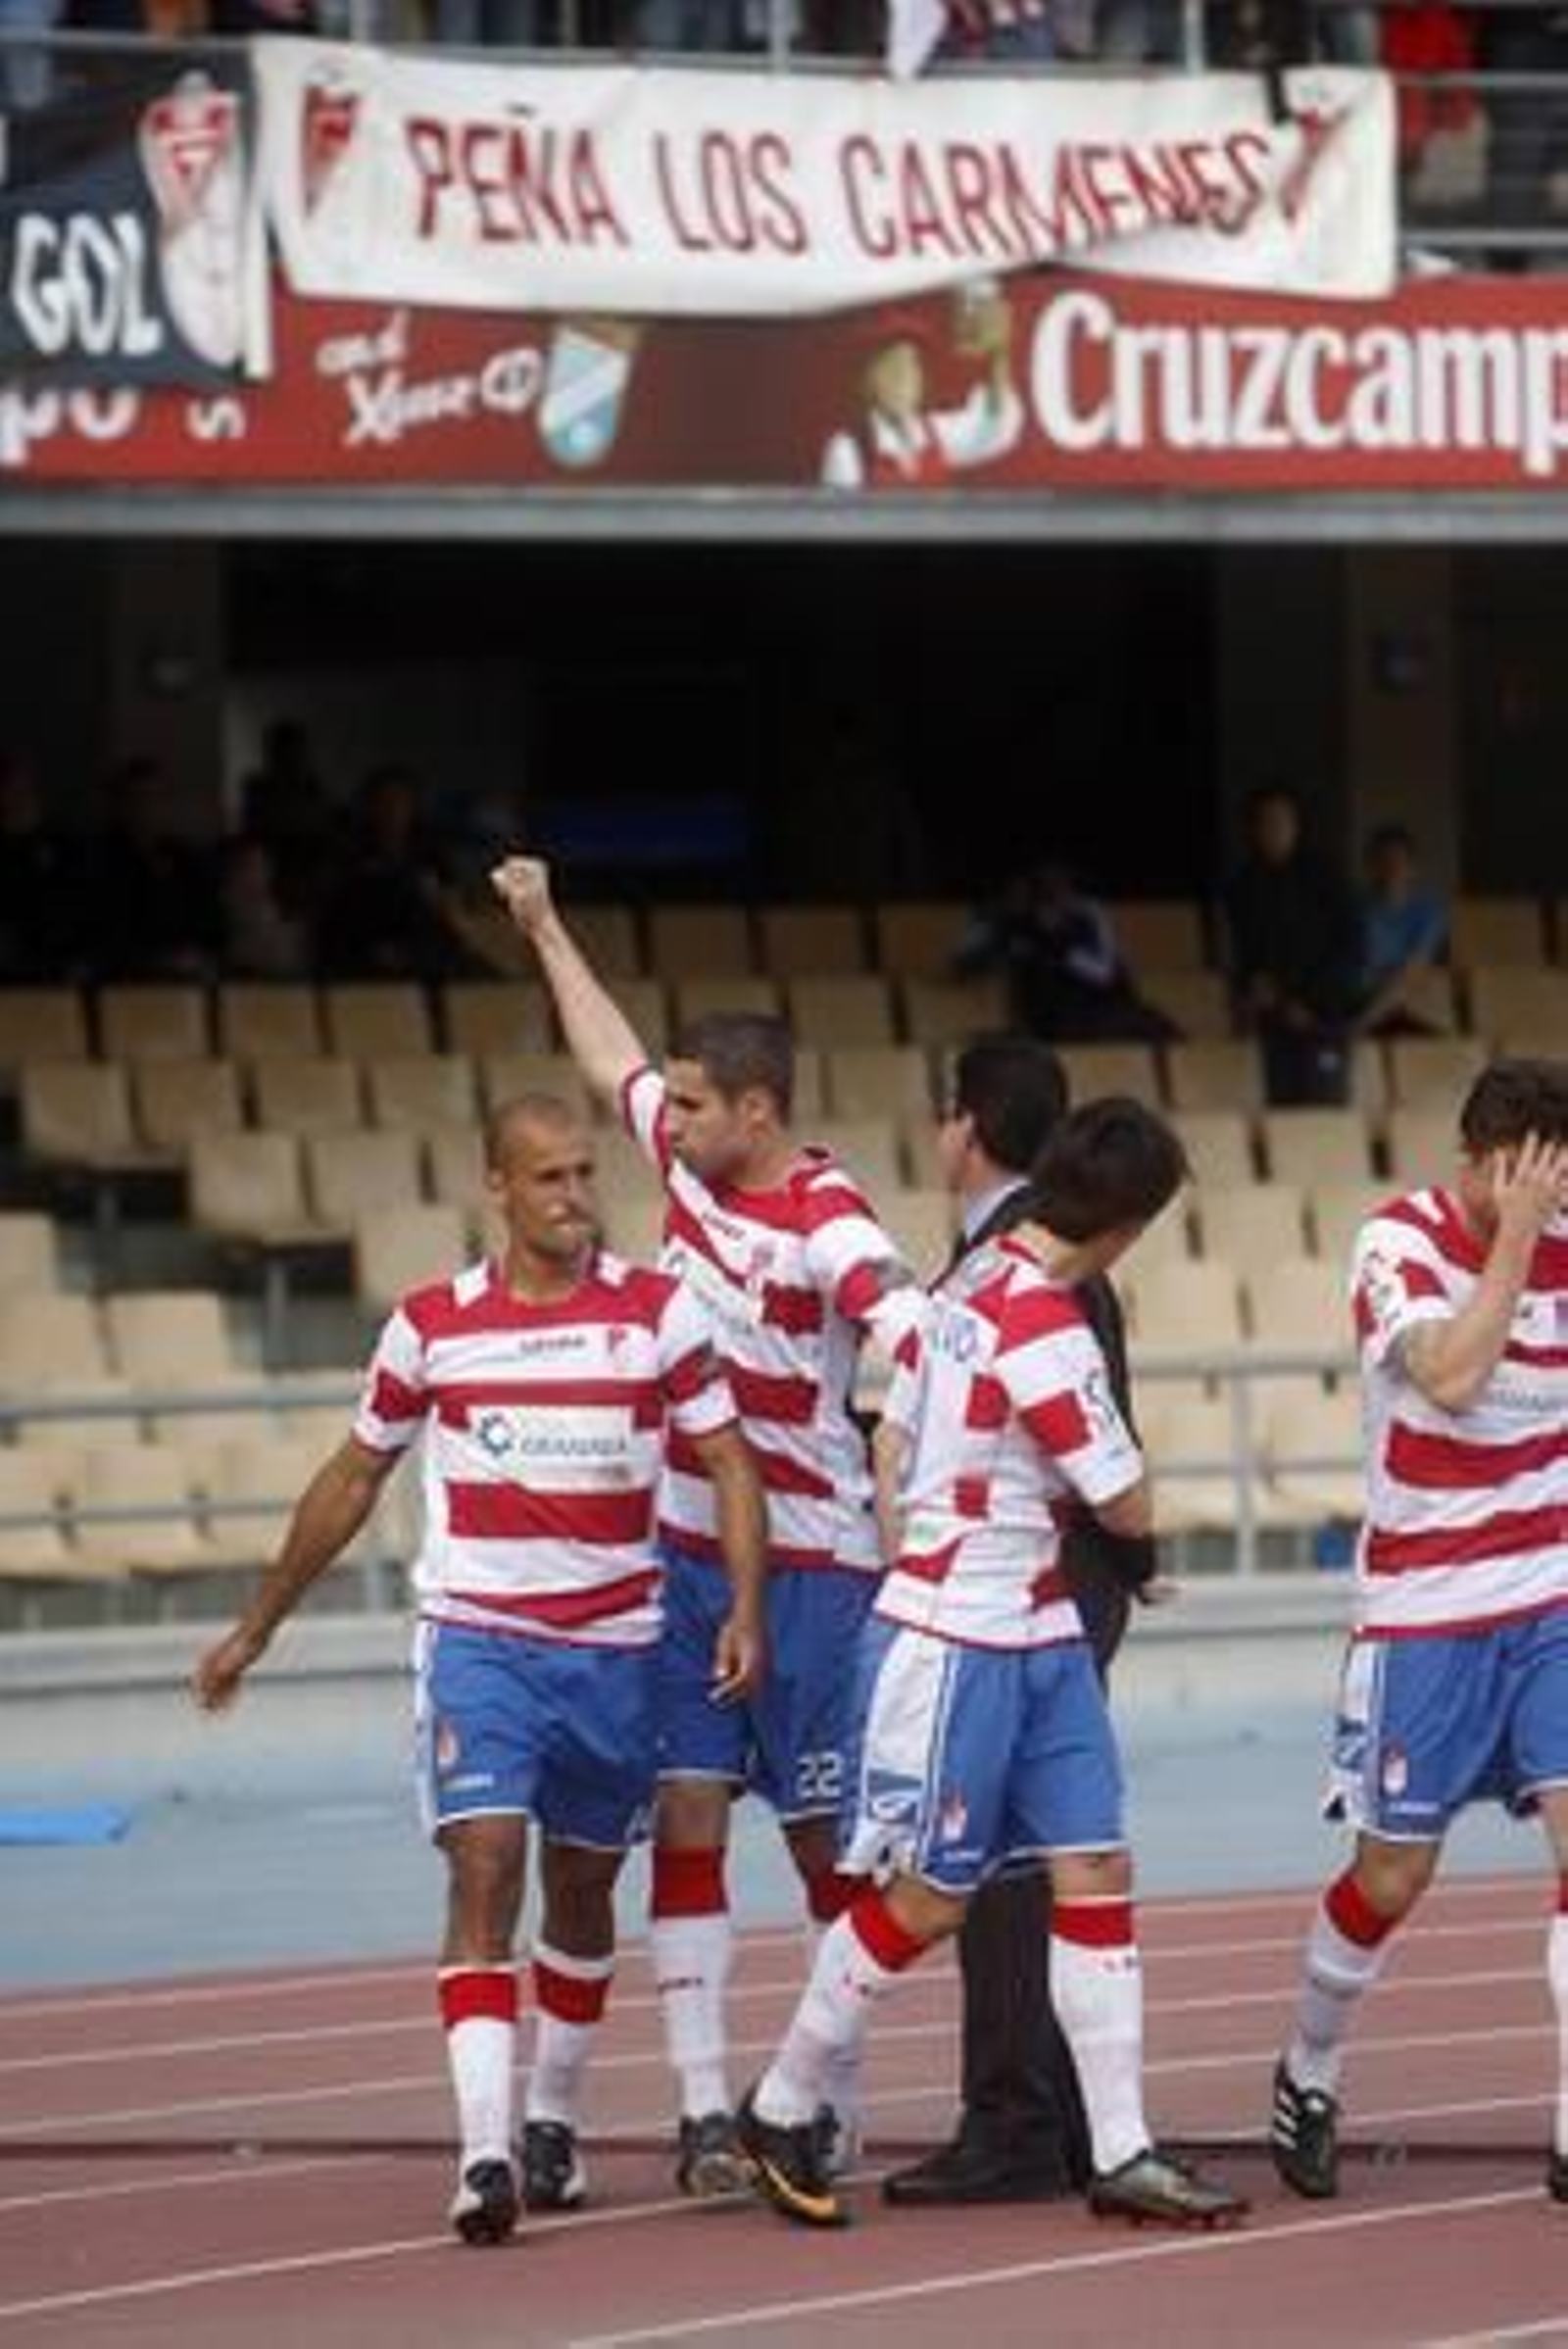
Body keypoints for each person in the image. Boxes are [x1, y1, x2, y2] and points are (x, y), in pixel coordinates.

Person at [190, 1092, 767, 2246]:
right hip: (480, 1642)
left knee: (582, 1891)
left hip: (616, 1652)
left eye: (585, 1174)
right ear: (496, 1188)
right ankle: (484, 2155)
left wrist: (746, 1609)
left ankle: (552, 2117)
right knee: (487, 1865)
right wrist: (258, 1626)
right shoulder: (430, 1325)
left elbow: (728, 1459)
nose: (574, 1198)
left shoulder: (657, 1314)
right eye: (548, 1178)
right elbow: (352, 1478)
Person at [490, 851, 927, 2197]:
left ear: (756, 1110)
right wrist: (544, 923)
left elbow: (917, 1335)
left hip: (812, 1573)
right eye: (667, 1102)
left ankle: (827, 2097)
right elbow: (607, 1046)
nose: (662, 1123)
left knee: (822, 1843)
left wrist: (917, 1468)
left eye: (689, 1105)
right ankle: (698, 2115)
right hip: (683, 1555)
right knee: (685, 1816)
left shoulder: (829, 1223)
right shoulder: (690, 1168)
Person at [734, 1097, 1248, 2230]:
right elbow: (1124, 1498)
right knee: (930, 1895)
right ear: (1129, 1225)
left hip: (1032, 1623)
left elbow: (893, 1429)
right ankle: (778, 2102)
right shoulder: (1046, 1322)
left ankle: (1121, 2149)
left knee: (1092, 1864)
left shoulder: (967, 1279)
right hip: (960, 1634)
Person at [1270, 1056, 1568, 2206]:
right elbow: (1448, 1375)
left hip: (1550, 1595)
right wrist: (1515, 1241)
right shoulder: (1394, 1243)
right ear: (1480, 1161)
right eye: (1528, 1176)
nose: (1547, 1199)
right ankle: (1308, 2065)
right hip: (1425, 1607)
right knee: (1391, 1873)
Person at [881, 1034, 1166, 2208]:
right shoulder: (1029, 1256)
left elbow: (1093, 1444)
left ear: (966, 1126)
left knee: (995, 1863)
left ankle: (1017, 2116)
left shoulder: (1025, 1261)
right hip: (1042, 1580)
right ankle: (1064, 2118)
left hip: (1028, 1589)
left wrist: (1127, 1558)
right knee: (1041, 1855)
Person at [1218, 784, 1364, 1107]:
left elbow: (1353, 949)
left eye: (1282, 821)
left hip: (1323, 1015)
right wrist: (1251, 987)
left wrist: (1309, 1003)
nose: (1273, 830)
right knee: (1283, 1108)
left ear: (1297, 825)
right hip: (1273, 1021)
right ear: (1253, 829)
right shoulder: (1243, 885)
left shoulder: (1327, 878)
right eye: (1265, 822)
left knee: (1324, 1109)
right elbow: (1243, 954)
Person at [819, 280, 1023, 491]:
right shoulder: (848, 450)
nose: (903, 378)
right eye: (892, 367)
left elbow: (993, 428)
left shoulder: (935, 434)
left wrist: (998, 355)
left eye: (912, 366)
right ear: (870, 381)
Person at [954, 862, 1179, 1047]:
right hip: (1055, 1022)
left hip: (1093, 1013)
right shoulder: (1013, 927)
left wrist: (1062, 948)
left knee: (1154, 1024)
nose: (1057, 899)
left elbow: (1105, 974)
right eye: (1047, 891)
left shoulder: (1081, 924)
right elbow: (965, 962)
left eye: (1062, 889)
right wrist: (997, 921)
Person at [1353, 820, 1450, 1039]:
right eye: (1383, 861)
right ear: (1369, 867)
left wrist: (1359, 1025)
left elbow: (1410, 972)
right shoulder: (1355, 908)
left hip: (1405, 1007)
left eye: (1399, 861)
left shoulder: (1428, 911)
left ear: (1413, 869)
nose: (1392, 869)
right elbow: (1358, 968)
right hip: (1362, 1000)